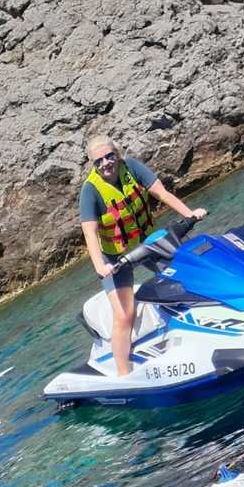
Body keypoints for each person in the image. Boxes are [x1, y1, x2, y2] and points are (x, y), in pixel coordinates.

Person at [80, 134, 208, 376]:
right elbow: (90, 233)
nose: (106, 163)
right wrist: (100, 267)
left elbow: (162, 194)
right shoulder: (90, 191)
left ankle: (208, 330)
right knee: (124, 314)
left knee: (190, 275)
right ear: (93, 165)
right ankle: (124, 375)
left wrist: (190, 214)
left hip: (147, 243)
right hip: (115, 259)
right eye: (99, 161)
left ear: (117, 154)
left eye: (109, 156)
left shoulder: (132, 167)